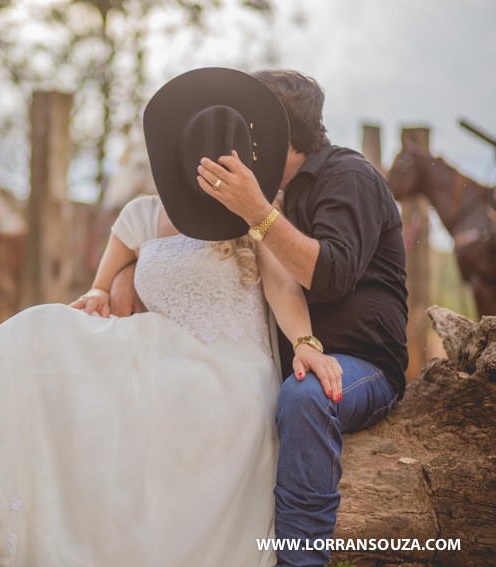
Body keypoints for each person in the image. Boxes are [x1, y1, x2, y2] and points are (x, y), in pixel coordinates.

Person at [0, 68, 342, 566]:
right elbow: (100, 281)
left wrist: (305, 340)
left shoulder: (258, 212)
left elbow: (284, 288)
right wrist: (102, 290)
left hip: (226, 370)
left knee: (132, 401)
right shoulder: (140, 215)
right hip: (154, 347)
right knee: (43, 325)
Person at [114, 69, 409, 566]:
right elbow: (183, 255)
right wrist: (121, 277)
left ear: (274, 135)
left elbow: (329, 275)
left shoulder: (348, 176)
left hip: (360, 364)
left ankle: (300, 560)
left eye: (242, 127)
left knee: (306, 397)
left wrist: (258, 213)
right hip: (278, 361)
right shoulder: (260, 193)